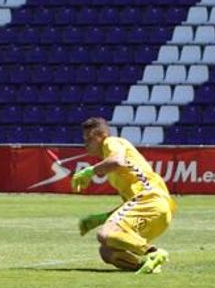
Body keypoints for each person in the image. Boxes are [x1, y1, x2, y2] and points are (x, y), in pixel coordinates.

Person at [71, 117, 176, 274]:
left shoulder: (111, 142)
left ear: (102, 134)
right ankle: (147, 265)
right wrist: (100, 218)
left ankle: (152, 252)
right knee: (107, 251)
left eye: (89, 138)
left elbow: (117, 161)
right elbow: (130, 205)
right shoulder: (114, 172)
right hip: (158, 212)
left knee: (106, 234)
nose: (85, 143)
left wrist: (90, 171)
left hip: (150, 198)